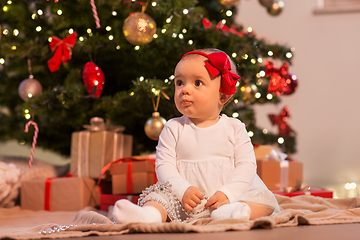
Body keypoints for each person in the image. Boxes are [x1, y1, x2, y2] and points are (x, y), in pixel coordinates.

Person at [112, 48, 280, 224]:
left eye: (197, 83)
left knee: (263, 201)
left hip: (228, 195)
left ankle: (231, 212)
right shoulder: (173, 127)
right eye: (179, 82)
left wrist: (228, 193)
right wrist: (182, 189)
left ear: (222, 96)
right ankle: (149, 216)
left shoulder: (234, 128)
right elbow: (164, 165)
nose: (185, 90)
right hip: (185, 199)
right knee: (158, 197)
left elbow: (246, 165)